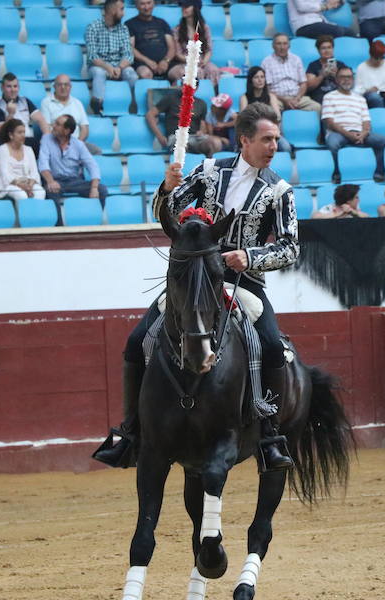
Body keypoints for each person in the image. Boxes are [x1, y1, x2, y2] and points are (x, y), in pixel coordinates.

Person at [94, 103, 299, 471]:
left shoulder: (279, 190)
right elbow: (166, 212)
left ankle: (269, 436)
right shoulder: (208, 172)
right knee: (136, 341)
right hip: (194, 278)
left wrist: (248, 257)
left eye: (276, 140)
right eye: (267, 139)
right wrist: (166, 187)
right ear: (244, 141)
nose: (274, 147)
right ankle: (130, 431)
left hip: (243, 282)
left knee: (270, 346)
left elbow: (291, 247)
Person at [321, 66, 385, 183]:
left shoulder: (360, 99)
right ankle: (338, 174)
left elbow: (366, 121)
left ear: (353, 79)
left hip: (360, 132)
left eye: (349, 77)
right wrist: (348, 134)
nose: (346, 80)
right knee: (332, 143)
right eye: (343, 77)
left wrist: (363, 133)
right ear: (337, 80)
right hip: (339, 133)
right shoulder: (329, 97)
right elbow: (329, 122)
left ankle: (379, 173)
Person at [39, 115, 108, 217]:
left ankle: (93, 221)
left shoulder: (78, 144)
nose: (53, 126)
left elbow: (92, 165)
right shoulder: (46, 139)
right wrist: (50, 181)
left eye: (57, 124)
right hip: (55, 180)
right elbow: (43, 163)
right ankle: (59, 228)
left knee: (101, 189)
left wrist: (94, 187)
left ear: (66, 131)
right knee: (50, 191)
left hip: (75, 181)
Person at [85, 0, 138, 116]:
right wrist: (108, 67)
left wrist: (119, 67)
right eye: (121, 9)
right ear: (113, 10)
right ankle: (97, 105)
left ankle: (133, 104)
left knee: (131, 74)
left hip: (119, 66)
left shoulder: (123, 29)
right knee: (99, 73)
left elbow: (128, 54)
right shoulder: (93, 27)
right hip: (99, 66)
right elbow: (92, 56)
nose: (124, 13)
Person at [0, 73, 51, 156]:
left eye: (15, 86)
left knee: (46, 145)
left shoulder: (25, 101)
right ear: (2, 88)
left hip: (27, 139)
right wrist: (10, 114)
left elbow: (41, 120)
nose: (13, 90)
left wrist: (46, 138)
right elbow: (1, 133)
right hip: (8, 141)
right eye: (9, 86)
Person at [147, 88, 220, 156]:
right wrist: (160, 136)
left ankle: (208, 166)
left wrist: (201, 131)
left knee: (215, 143)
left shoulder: (201, 103)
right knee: (182, 145)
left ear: (196, 87)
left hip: (195, 137)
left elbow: (202, 124)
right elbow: (150, 115)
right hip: (176, 136)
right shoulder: (171, 98)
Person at [40, 75, 102, 156]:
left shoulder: (77, 103)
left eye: (66, 85)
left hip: (77, 142)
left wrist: (76, 145)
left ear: (70, 87)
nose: (63, 87)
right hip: (57, 143)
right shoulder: (46, 103)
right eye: (59, 85)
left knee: (96, 151)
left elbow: (85, 129)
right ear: (54, 87)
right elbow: (46, 129)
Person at [262, 33, 321, 112]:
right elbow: (267, 89)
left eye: (285, 44)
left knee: (317, 107)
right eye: (279, 44)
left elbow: (303, 84)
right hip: (278, 99)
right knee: (271, 110)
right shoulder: (266, 62)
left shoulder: (296, 59)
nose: (282, 47)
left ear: (289, 46)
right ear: (273, 46)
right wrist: (285, 100)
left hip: (297, 97)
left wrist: (297, 98)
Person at [167, 0, 220, 87]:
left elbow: (208, 49)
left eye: (187, 7)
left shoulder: (204, 28)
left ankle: (212, 95)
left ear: (195, 8)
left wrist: (204, 61)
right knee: (195, 71)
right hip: (184, 61)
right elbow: (177, 54)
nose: (183, 9)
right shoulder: (177, 30)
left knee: (213, 70)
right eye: (182, 7)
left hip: (202, 60)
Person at [0, 118, 46, 206]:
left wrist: (30, 185)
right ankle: (23, 218)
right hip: (9, 184)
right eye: (19, 132)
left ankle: (36, 217)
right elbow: (5, 175)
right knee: (21, 195)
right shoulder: (2, 150)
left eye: (24, 132)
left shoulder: (29, 149)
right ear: (11, 135)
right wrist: (21, 185)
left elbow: (34, 172)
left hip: (28, 182)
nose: (23, 135)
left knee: (40, 192)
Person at [240, 67, 292, 153]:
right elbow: (243, 120)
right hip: (253, 133)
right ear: (251, 80)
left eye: (262, 77)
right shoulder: (244, 98)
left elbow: (277, 117)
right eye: (256, 77)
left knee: (286, 148)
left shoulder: (271, 97)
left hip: (270, 132)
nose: (260, 80)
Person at [126, 0, 176, 81]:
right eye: (142, 4)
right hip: (142, 63)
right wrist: (148, 61)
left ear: (154, 3)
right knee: (145, 74)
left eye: (149, 3)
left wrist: (166, 61)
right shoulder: (130, 24)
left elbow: (172, 47)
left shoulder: (162, 23)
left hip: (166, 63)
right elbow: (130, 48)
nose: (146, 7)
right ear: (136, 5)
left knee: (182, 72)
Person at [354, 40, 385, 109]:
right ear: (370, 55)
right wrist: (367, 91)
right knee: (375, 98)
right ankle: (380, 117)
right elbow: (357, 90)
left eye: (382, 57)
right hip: (369, 96)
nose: (379, 61)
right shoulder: (361, 67)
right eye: (376, 58)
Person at [305, 35, 347, 106]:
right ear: (318, 50)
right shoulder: (313, 65)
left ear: (333, 49)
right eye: (323, 48)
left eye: (329, 47)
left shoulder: (341, 65)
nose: (327, 51)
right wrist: (321, 75)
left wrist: (336, 75)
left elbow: (347, 85)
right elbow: (309, 87)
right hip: (321, 98)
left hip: (338, 97)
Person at [288, 0, 355, 39]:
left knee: (350, 32)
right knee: (339, 31)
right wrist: (325, 6)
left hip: (316, 24)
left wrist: (335, 2)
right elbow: (301, 7)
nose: (336, 6)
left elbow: (319, 16)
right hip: (303, 26)